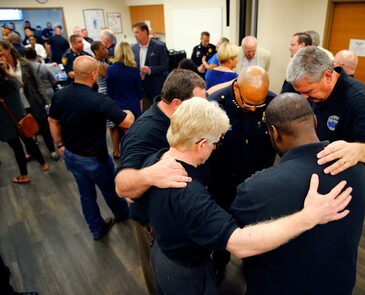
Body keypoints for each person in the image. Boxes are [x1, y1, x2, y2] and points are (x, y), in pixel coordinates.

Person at [137, 97, 353, 295]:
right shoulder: (189, 194)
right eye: (215, 143)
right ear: (201, 144)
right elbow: (240, 244)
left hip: (162, 250)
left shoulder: (154, 162)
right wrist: (310, 216)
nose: (214, 148)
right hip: (184, 271)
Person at [230, 92, 365, 294]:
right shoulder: (356, 170)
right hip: (338, 284)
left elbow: (240, 240)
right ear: (314, 120)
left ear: (275, 134)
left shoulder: (255, 188)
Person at [115, 69, 206, 294]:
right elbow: (122, 185)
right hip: (154, 224)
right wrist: (150, 174)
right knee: (162, 280)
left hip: (181, 216)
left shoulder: (180, 118)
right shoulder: (144, 132)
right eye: (198, 105)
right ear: (176, 103)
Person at [48, 56, 134, 240]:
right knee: (110, 189)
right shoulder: (99, 100)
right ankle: (121, 214)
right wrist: (130, 112)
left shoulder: (59, 95)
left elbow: (52, 120)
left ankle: (97, 229)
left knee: (86, 194)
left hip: (71, 154)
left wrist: (60, 144)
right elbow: (126, 122)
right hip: (94, 158)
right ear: (94, 74)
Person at [207, 65, 277, 276]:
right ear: (236, 87)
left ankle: (251, 261)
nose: (254, 109)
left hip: (257, 181)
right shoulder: (215, 104)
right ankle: (220, 262)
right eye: (248, 103)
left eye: (259, 104)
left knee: (255, 226)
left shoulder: (274, 104)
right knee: (222, 228)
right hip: (223, 182)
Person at [286, 46, 365, 175]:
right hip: (312, 165)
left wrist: (357, 150)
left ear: (328, 76)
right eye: (300, 92)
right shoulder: (312, 89)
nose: (304, 98)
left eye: (309, 91)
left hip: (339, 173)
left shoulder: (359, 99)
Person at [0, 40, 57, 162]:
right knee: (26, 131)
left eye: (1, 50)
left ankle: (52, 150)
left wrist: (47, 101)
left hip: (32, 101)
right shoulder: (2, 68)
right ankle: (32, 152)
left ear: (8, 50)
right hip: (16, 105)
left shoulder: (24, 63)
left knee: (43, 127)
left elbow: (38, 84)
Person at [0, 62, 47, 184]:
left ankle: (24, 175)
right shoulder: (11, 81)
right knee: (30, 142)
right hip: (21, 118)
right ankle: (43, 163)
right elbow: (21, 84)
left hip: (5, 124)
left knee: (17, 150)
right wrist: (6, 70)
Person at [106, 41, 143, 159]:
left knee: (117, 130)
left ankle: (118, 152)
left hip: (117, 106)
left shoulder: (110, 69)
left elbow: (109, 92)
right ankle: (134, 154)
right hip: (133, 105)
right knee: (134, 132)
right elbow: (140, 92)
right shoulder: (134, 70)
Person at [131, 22, 169, 109]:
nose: (135, 35)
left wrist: (150, 70)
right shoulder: (134, 48)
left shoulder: (159, 46)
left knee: (159, 111)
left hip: (155, 88)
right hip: (141, 87)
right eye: (134, 33)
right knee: (145, 113)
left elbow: (165, 67)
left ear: (145, 32)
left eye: (137, 32)